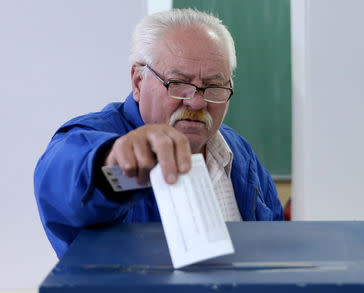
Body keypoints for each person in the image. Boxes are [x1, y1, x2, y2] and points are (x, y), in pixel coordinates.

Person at [34, 8, 283, 259]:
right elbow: (65, 181)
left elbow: (273, 248)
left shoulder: (238, 152)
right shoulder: (101, 138)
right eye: (178, 84)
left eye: (214, 86)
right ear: (138, 82)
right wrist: (115, 166)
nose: (196, 103)